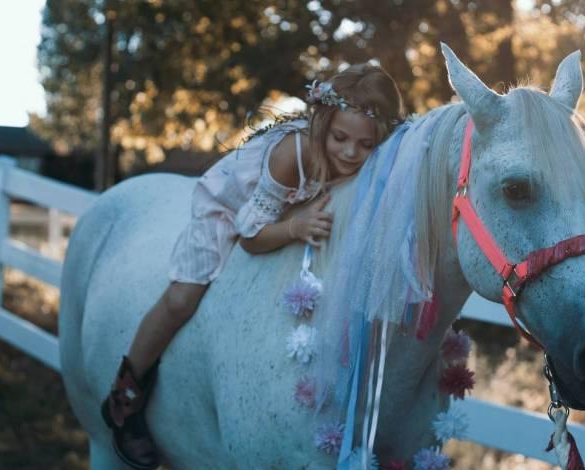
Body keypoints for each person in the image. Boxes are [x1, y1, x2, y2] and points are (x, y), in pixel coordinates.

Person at [100, 63, 405, 469]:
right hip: (231, 209)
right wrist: (295, 226)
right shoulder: (293, 153)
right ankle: (126, 395)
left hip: (285, 207)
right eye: (340, 138)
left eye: (365, 145)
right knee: (183, 297)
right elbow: (250, 235)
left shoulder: (367, 161)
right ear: (323, 124)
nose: (350, 153)